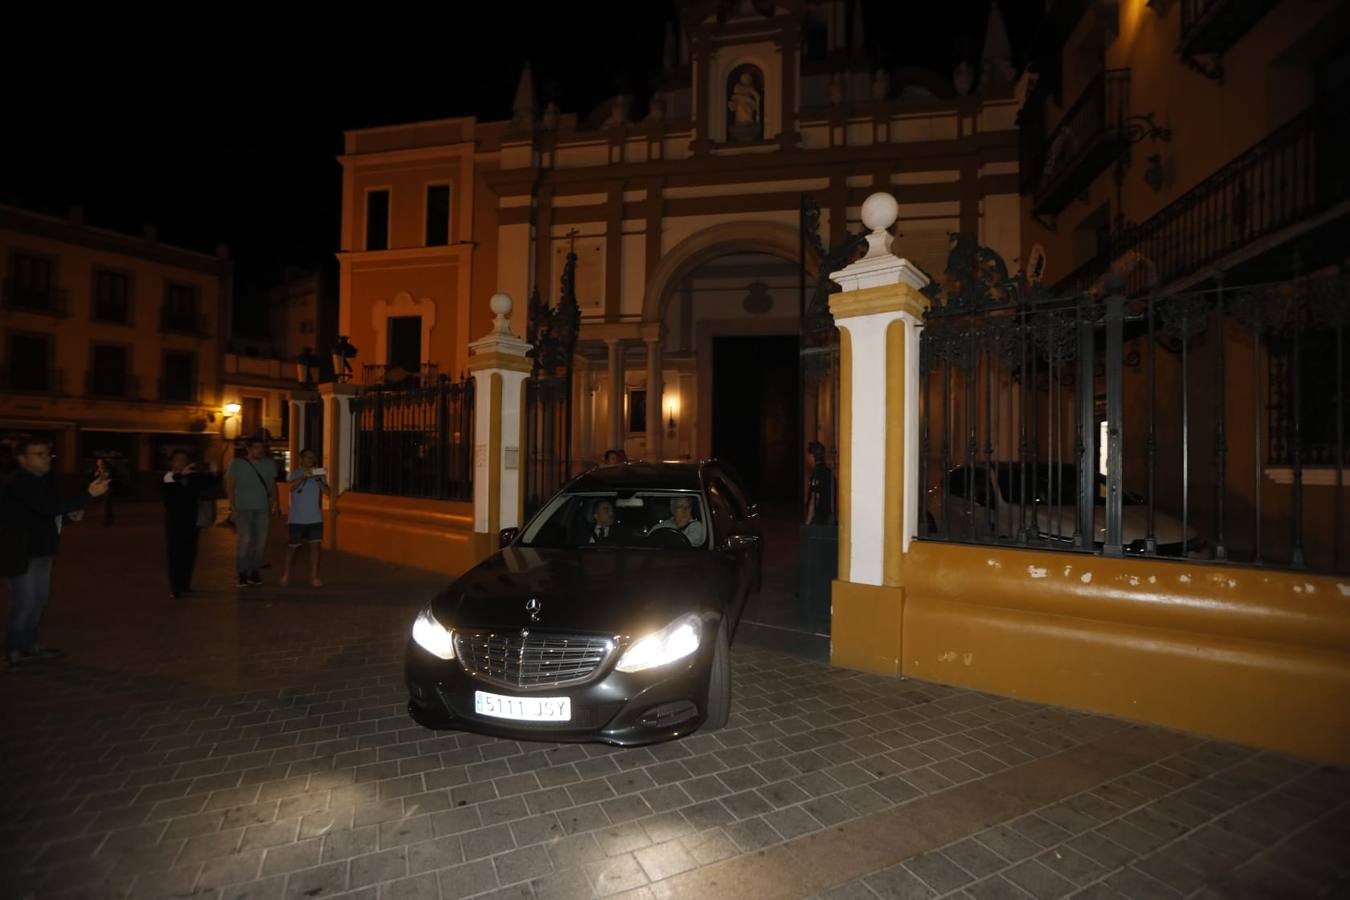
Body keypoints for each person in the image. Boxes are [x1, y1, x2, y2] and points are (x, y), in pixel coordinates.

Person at [0, 438, 109, 666]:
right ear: (23, 459)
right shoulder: (21, 483)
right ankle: (13, 650)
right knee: (24, 602)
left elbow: (48, 514)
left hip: (42, 551)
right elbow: (49, 508)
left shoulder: (42, 482)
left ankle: (29, 646)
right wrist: (88, 495)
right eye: (39, 454)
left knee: (38, 601)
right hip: (23, 553)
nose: (46, 457)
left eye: (47, 453)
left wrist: (69, 517)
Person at [160, 450, 216, 598]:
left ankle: (185, 584)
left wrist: (213, 472)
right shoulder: (168, 477)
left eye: (184, 459)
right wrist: (180, 476)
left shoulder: (192, 477)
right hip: (175, 522)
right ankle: (175, 586)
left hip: (192, 520)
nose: (181, 462)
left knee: (189, 553)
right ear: (171, 462)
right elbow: (171, 498)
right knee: (175, 554)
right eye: (177, 459)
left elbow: (208, 484)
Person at [225, 438, 278, 587]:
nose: (259, 450)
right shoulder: (237, 464)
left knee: (260, 542)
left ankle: (254, 571)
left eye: (262, 447)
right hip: (243, 509)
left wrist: (274, 505)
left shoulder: (268, 464)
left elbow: (272, 486)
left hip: (262, 508)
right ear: (248, 449)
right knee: (246, 540)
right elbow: (230, 486)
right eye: (256, 447)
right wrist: (233, 508)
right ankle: (242, 573)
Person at [281, 449, 330, 588]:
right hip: (297, 519)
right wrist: (304, 476)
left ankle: (314, 577)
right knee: (293, 548)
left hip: (315, 518)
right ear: (301, 459)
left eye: (313, 457)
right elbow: (291, 488)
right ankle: (286, 574)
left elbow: (328, 492)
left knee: (315, 548)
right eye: (308, 457)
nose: (311, 460)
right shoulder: (295, 472)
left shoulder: (319, 474)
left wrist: (319, 480)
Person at [804, 441, 834, 526]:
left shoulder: (816, 474)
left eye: (808, 455)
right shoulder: (829, 473)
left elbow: (814, 501)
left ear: (811, 456)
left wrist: (807, 525)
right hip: (828, 519)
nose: (807, 458)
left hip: (818, 521)